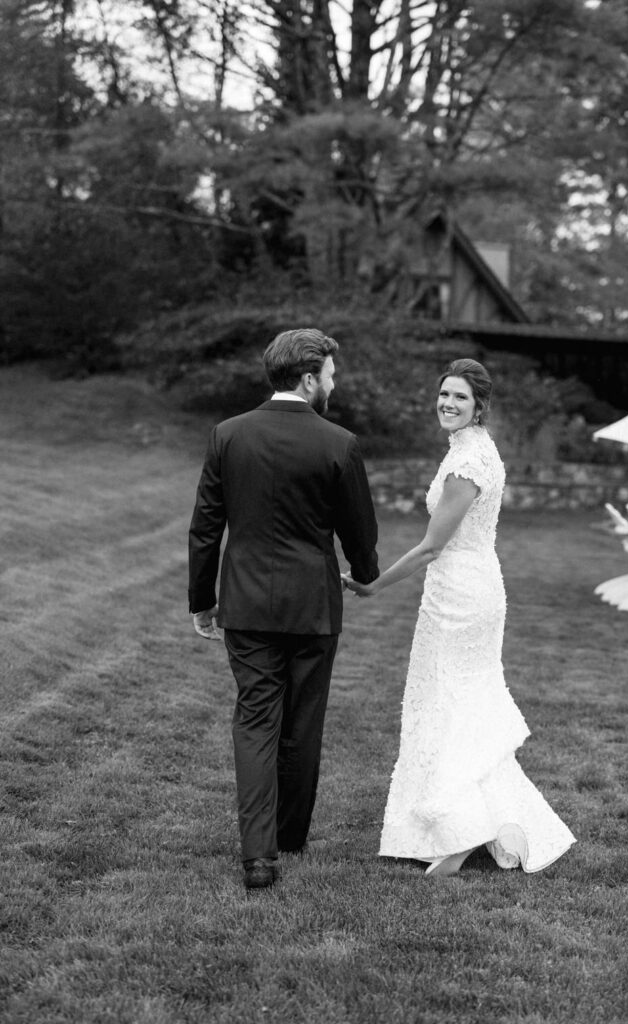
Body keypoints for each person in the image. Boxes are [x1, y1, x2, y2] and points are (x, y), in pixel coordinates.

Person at [346, 358, 575, 877]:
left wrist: (372, 585)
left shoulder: (466, 462)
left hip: (459, 596)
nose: (447, 403)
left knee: (446, 704)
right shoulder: (477, 449)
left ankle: (457, 829)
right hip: (473, 585)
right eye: (443, 394)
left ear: (480, 406)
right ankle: (488, 821)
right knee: (461, 704)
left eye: (460, 398)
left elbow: (430, 547)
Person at [188, 328, 379, 890]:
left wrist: (204, 600)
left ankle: (259, 855)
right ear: (308, 378)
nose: (333, 384)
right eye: (331, 376)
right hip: (313, 608)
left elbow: (205, 527)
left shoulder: (228, 435)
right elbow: (359, 531)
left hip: (245, 605)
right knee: (302, 723)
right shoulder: (339, 442)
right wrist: (365, 576)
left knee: (254, 720)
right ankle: (289, 837)